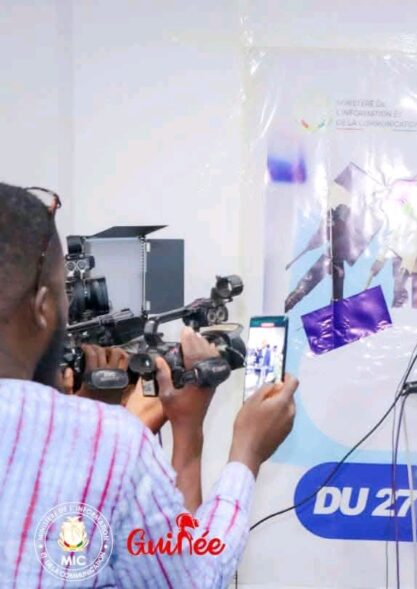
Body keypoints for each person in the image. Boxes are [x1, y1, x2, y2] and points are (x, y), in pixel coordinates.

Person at [0, 183, 298, 587]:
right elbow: (192, 580)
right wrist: (243, 450)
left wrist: (91, 412)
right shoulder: (112, 445)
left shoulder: (104, 439)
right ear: (42, 309)